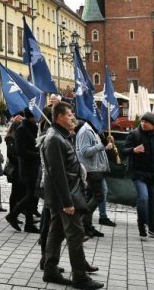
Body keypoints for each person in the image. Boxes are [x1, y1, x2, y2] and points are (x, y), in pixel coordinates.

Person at [39, 103, 102, 290]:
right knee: (75, 234)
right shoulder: (54, 139)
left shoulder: (61, 136)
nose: (72, 118)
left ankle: (50, 269)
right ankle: (80, 277)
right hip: (65, 196)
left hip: (67, 193)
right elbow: (56, 173)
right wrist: (67, 202)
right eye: (68, 115)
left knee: (56, 231)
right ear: (58, 117)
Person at [120, 112, 154, 239]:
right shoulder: (134, 134)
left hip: (152, 173)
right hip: (138, 172)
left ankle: (152, 228)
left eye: (147, 122)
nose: (143, 123)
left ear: (153, 125)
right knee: (143, 198)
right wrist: (133, 150)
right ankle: (141, 227)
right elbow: (123, 150)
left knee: (152, 201)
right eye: (143, 121)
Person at [74, 117, 112, 238]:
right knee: (98, 196)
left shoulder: (91, 130)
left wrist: (105, 145)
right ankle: (81, 221)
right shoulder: (86, 131)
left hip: (96, 168)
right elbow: (85, 151)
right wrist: (101, 145)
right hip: (91, 169)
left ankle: (87, 226)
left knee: (91, 196)